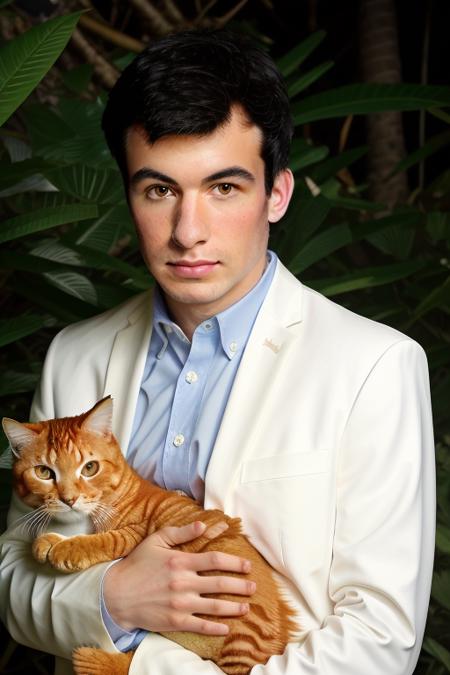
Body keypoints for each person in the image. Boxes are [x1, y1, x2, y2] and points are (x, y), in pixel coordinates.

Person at [0, 28, 435, 675]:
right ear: (129, 196)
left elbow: (379, 637)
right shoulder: (76, 354)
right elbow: (14, 579)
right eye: (159, 190)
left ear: (278, 193)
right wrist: (115, 597)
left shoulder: (375, 366)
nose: (188, 230)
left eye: (224, 188)